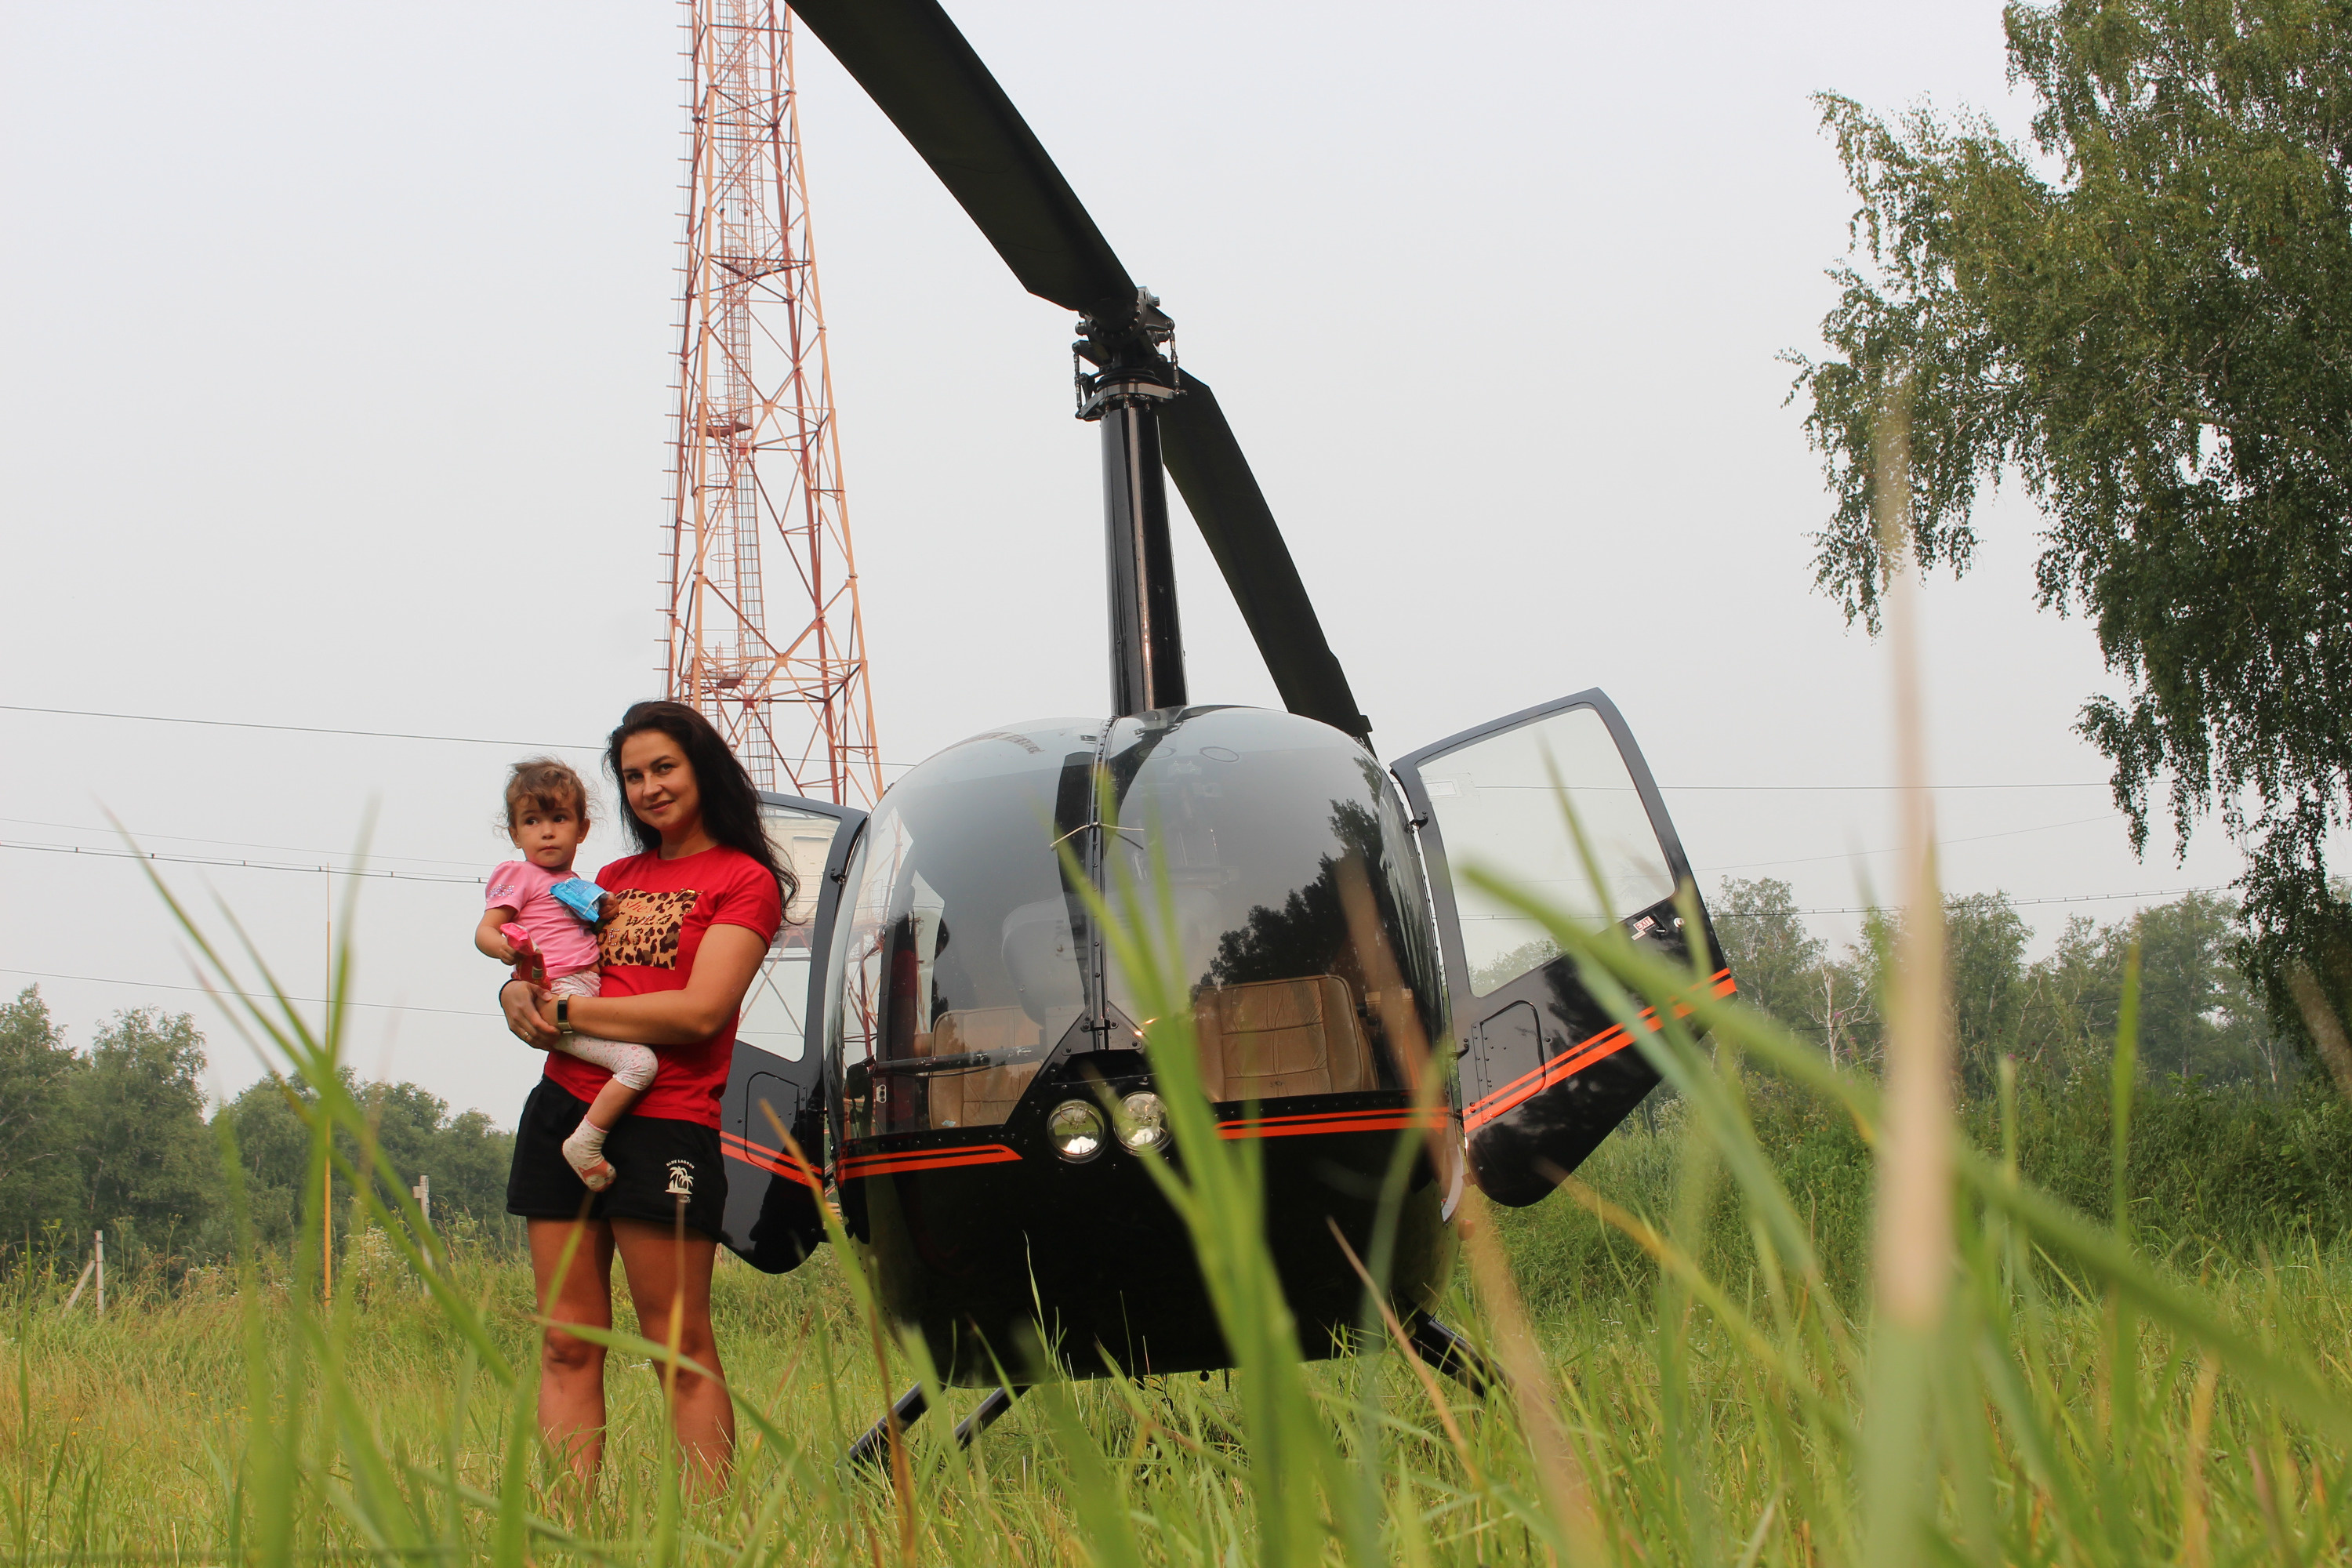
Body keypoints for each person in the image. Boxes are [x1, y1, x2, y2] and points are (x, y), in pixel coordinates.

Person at [499, 701, 789, 1497]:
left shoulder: (744, 879)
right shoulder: (610, 881)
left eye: (664, 767)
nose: (650, 786)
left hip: (665, 1115)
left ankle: (705, 1535)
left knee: (677, 1342)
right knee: (566, 1340)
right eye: (633, 775)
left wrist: (571, 1014)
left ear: (701, 768)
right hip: (565, 1106)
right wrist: (516, 996)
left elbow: (699, 1011)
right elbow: (548, 967)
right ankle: (565, 1528)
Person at [474, 757, 653, 1192]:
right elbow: (485, 929)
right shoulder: (518, 874)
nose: (547, 831)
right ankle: (585, 1143)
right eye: (532, 821)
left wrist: (605, 909)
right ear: (515, 833)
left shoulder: (574, 882)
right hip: (559, 990)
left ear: (582, 829)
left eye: (559, 818)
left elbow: (590, 922)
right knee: (640, 1063)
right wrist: (503, 949)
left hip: (587, 990)